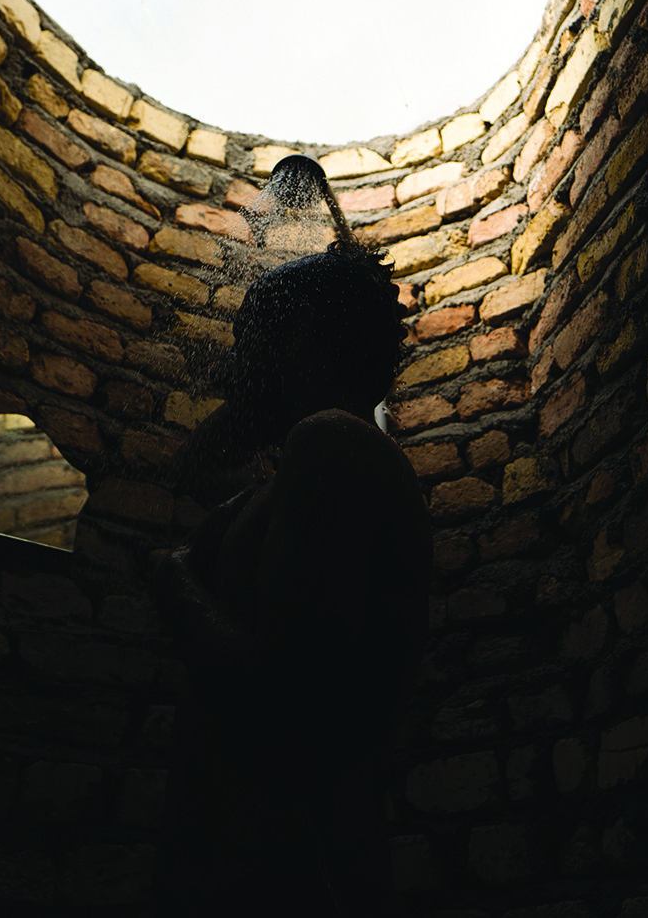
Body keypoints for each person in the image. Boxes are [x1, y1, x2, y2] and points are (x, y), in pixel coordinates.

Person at [150, 241, 432, 916]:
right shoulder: (311, 465)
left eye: (248, 340)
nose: (230, 364)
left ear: (299, 336)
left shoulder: (329, 442)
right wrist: (254, 399)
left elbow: (282, 700)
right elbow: (194, 471)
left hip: (287, 879)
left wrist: (171, 580)